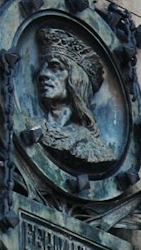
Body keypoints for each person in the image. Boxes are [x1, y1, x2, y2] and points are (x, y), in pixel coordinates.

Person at [34, 26, 114, 167]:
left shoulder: (95, 150)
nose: (42, 75)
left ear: (76, 80)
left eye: (55, 68)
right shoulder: (31, 125)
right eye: (42, 67)